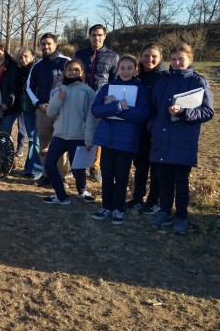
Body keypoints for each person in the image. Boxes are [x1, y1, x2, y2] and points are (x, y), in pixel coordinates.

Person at [148, 43, 214, 234]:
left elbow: (208, 111)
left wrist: (184, 112)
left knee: (181, 182)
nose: (177, 63)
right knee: (164, 179)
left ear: (190, 60)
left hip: (183, 140)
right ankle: (164, 211)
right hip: (161, 138)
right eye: (174, 59)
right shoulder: (162, 83)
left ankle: (181, 216)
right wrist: (152, 127)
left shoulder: (198, 82)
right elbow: (154, 109)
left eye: (181, 59)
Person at [90, 55, 150, 225]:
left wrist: (120, 110)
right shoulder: (108, 87)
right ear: (117, 69)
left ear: (136, 70)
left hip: (127, 140)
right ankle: (106, 206)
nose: (125, 71)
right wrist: (117, 107)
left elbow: (142, 114)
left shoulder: (141, 89)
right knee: (107, 174)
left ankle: (118, 208)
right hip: (107, 138)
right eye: (122, 68)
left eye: (129, 68)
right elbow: (96, 110)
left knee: (122, 176)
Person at [41, 60, 98, 205]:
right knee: (49, 164)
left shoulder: (87, 91)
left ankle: (82, 191)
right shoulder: (57, 90)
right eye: (70, 70)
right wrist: (59, 100)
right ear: (64, 72)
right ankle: (61, 195)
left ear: (82, 72)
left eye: (76, 70)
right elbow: (50, 112)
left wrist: (89, 138)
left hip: (78, 136)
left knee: (78, 167)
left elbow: (91, 117)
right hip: (59, 136)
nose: (73, 72)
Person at [126, 43, 169, 215]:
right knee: (140, 165)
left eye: (154, 57)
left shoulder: (164, 78)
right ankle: (137, 199)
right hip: (139, 128)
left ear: (160, 58)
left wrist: (155, 127)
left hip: (157, 128)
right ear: (140, 56)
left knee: (156, 167)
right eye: (146, 55)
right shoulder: (137, 77)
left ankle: (154, 201)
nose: (149, 59)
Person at [74, 24, 119, 182]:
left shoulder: (113, 57)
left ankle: (95, 167)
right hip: (80, 98)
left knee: (96, 134)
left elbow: (114, 81)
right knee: (79, 131)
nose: (96, 38)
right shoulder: (80, 54)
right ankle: (78, 164)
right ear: (89, 36)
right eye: (93, 35)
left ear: (104, 36)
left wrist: (109, 100)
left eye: (99, 35)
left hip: (100, 100)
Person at [26, 33, 71, 187]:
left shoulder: (67, 62)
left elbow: (76, 83)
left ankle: (61, 175)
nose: (46, 47)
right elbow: (29, 87)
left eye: (49, 43)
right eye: (43, 44)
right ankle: (47, 173)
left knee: (61, 143)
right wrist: (38, 104)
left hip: (63, 111)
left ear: (55, 44)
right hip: (43, 109)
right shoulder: (37, 65)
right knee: (44, 142)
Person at [15, 47, 42, 179]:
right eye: (20, 57)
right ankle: (30, 168)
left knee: (36, 139)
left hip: (38, 108)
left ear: (32, 57)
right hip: (26, 109)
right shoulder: (19, 71)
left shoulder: (37, 69)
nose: (23, 59)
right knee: (32, 138)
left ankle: (35, 170)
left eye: (26, 56)